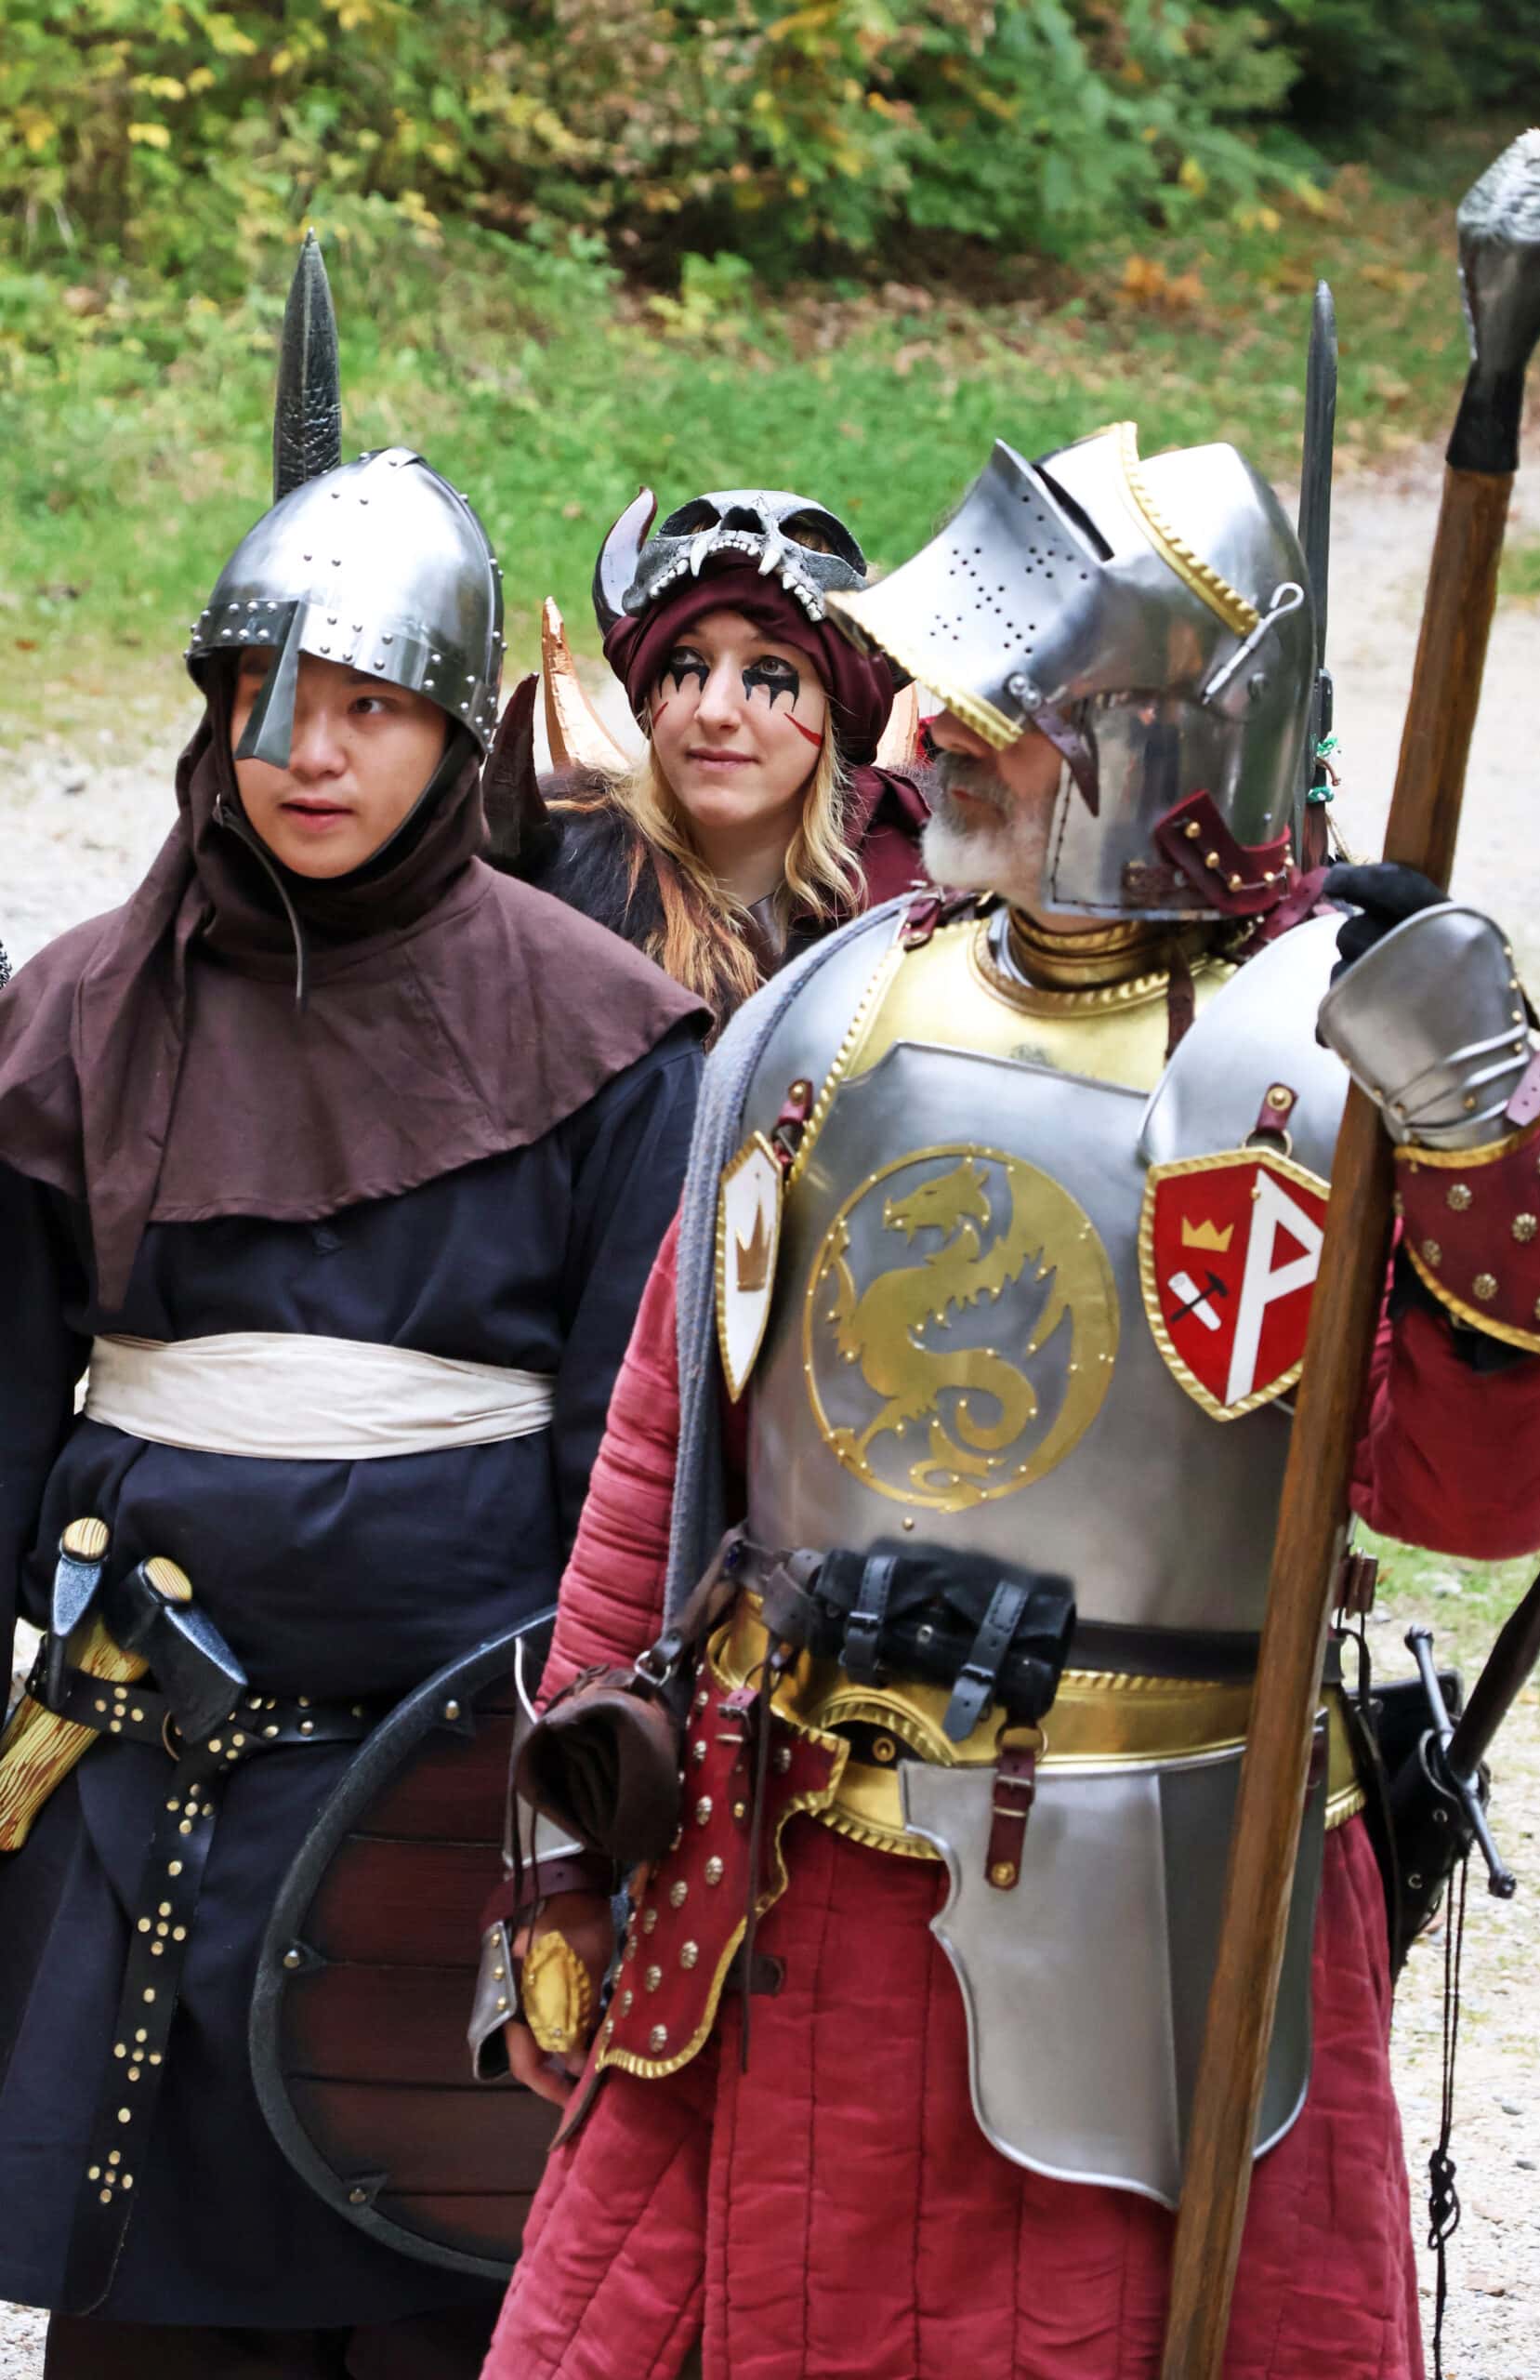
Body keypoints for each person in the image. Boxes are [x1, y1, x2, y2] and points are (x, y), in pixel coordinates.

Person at [479, 418, 1540, 2379]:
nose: (927, 743)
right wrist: (566, 1835)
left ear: (1140, 743)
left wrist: (1481, 1118)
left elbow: (1482, 1501)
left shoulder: (1303, 1072)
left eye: (992, 714)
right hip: (786, 1868)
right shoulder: (828, 1012)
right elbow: (667, 1447)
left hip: (1167, 1896)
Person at [0, 240, 704, 2377]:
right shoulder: (78, 1012)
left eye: (370, 707)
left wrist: (585, 1784)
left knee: (435, 2308)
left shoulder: (600, 1028)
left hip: (454, 1792)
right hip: (142, 1779)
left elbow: (634, 1463)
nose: (304, 751)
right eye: (263, 697)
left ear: (452, 728)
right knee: (155, 2331)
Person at [504, 488, 928, 1022]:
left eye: (769, 668)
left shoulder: (924, 912)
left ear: (836, 708)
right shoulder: (548, 900)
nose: (714, 709)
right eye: (686, 661)